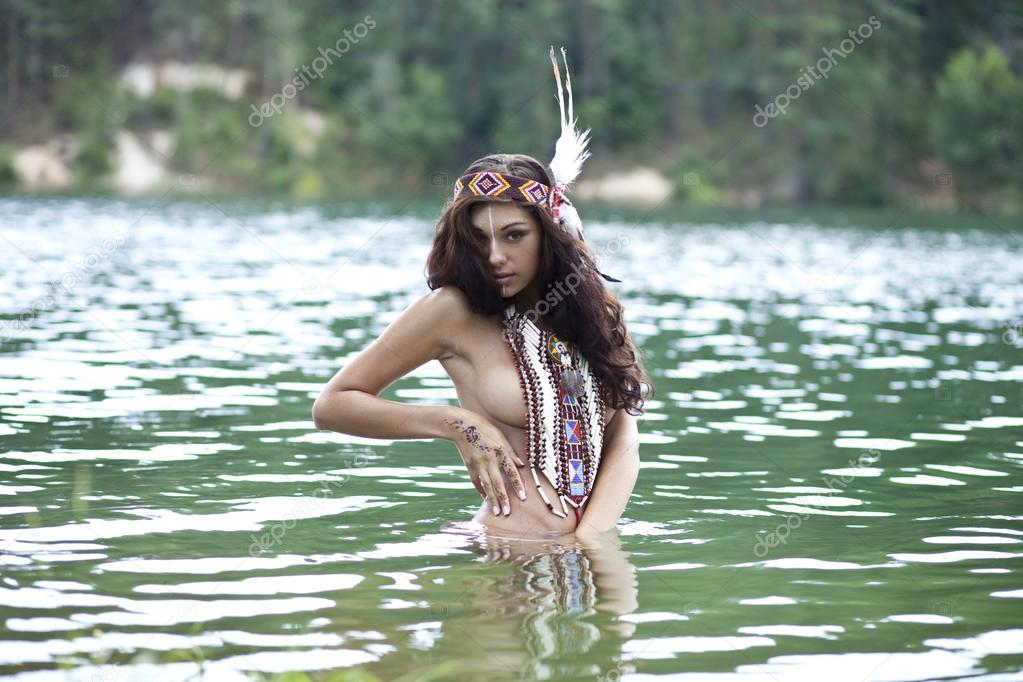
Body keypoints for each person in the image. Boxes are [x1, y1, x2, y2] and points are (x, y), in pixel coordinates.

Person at [312, 48, 652, 542]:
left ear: (549, 234)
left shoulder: (591, 310)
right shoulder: (453, 312)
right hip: (503, 565)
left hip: (593, 560)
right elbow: (333, 404)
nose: (494, 256)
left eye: (514, 235)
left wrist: (586, 546)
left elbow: (625, 437)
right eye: (480, 239)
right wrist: (456, 423)